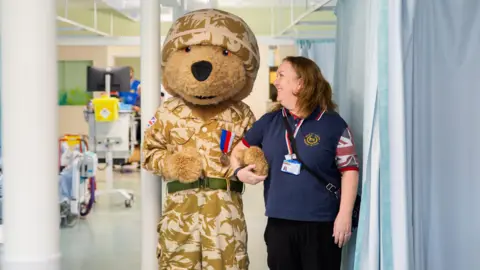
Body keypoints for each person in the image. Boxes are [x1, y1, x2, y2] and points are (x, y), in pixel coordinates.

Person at [230, 56, 360, 270]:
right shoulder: (269, 122)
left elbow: (350, 171)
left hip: (321, 225)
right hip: (279, 224)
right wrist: (239, 172)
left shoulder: (333, 124)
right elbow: (238, 150)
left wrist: (344, 215)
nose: (275, 81)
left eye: (281, 75)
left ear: (300, 84)